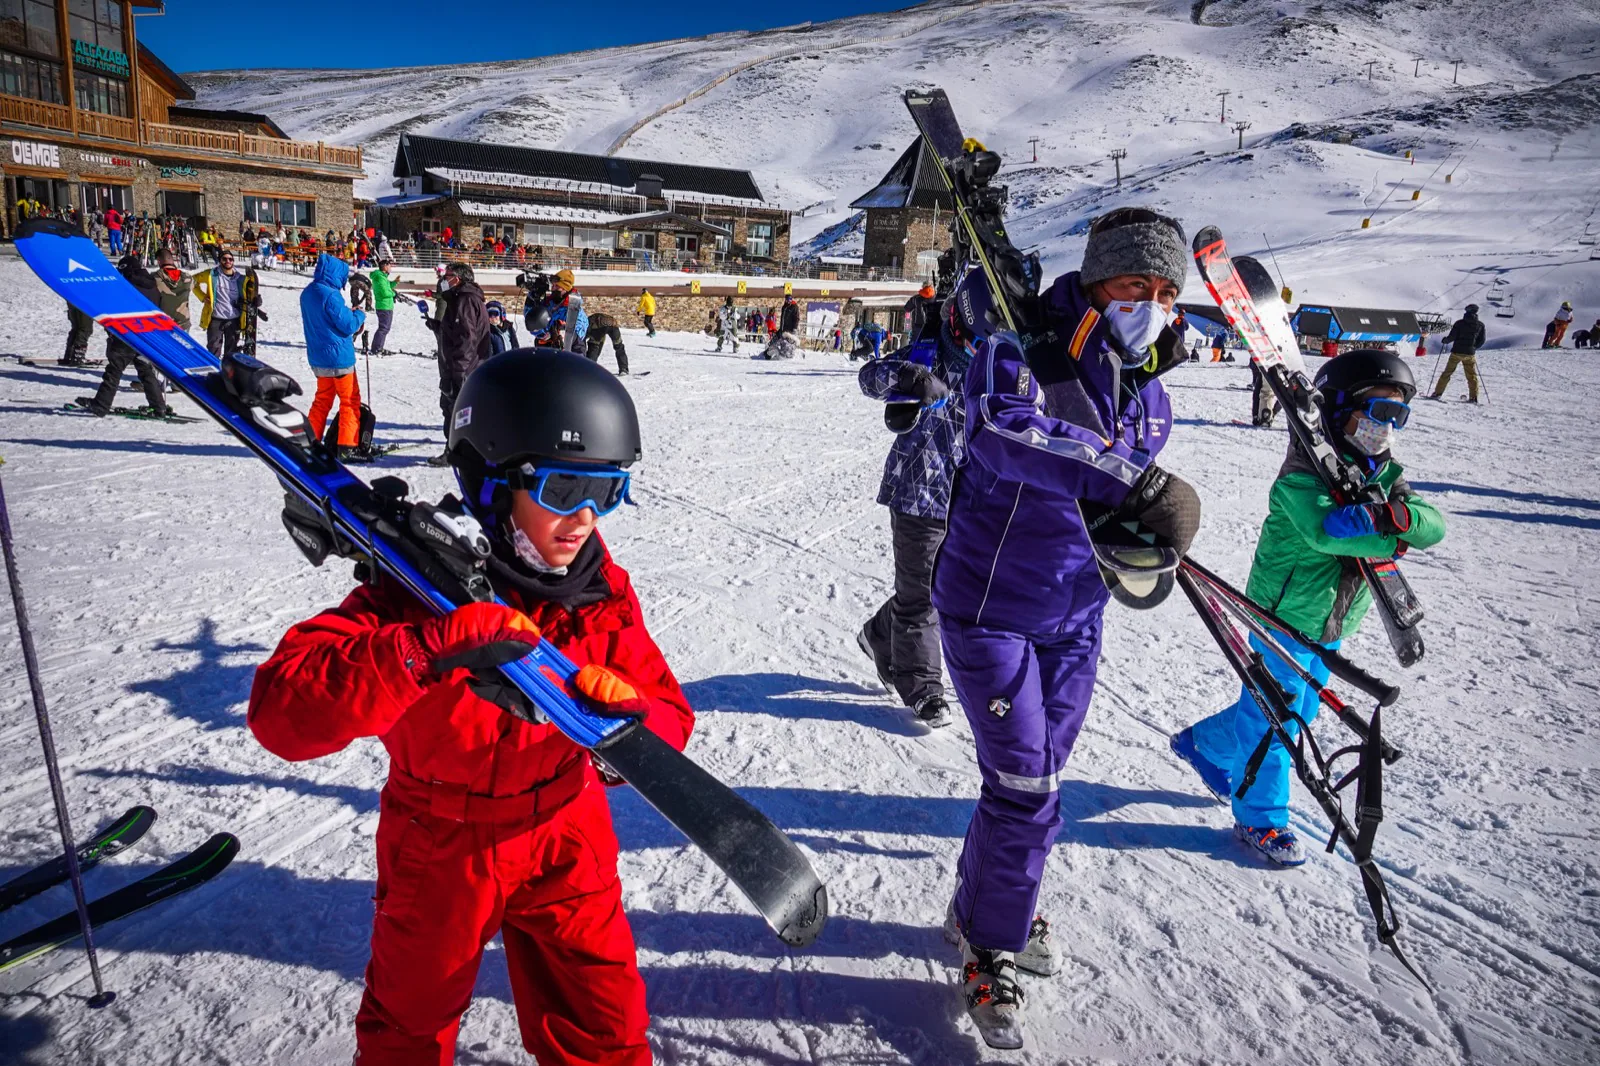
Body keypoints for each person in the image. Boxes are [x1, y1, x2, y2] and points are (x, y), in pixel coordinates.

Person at [248, 350, 691, 1066]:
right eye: (564, 487)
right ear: (493, 481)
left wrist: (630, 728)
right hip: (441, 843)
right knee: (408, 1029)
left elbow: (669, 711)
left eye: (607, 494)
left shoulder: (599, 593)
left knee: (604, 1028)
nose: (584, 520)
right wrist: (420, 653)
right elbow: (280, 713)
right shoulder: (409, 598)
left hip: (566, 831)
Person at [933, 207, 1201, 1047]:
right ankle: (992, 944)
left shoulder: (1150, 392)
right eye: (1133, 286)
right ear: (1093, 284)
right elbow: (1005, 436)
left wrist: (1140, 548)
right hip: (990, 608)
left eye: (1164, 292)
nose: (1149, 305)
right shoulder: (1017, 354)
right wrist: (1130, 484)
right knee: (1025, 789)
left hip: (1076, 617)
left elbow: (1105, 510)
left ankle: (980, 907)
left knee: (1036, 780)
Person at [1173, 350, 1445, 865]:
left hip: (1332, 621)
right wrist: (1393, 534)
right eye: (1377, 413)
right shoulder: (1301, 475)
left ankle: (1204, 745)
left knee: (1297, 709)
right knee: (1278, 721)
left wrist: (1393, 517)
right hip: (1282, 617)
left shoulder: (1384, 477)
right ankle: (1260, 817)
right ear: (1339, 410)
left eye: (1397, 416)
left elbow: (1433, 524)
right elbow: (1329, 534)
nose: (1386, 428)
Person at [856, 289, 964, 727]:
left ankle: (879, 634)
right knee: (922, 595)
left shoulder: (1004, 362)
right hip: (919, 491)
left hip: (973, 496)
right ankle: (923, 689)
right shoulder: (930, 352)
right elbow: (870, 375)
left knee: (947, 591)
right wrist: (906, 377)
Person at [80, 256, 173, 418]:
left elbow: (114, 307)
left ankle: (101, 405)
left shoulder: (125, 285)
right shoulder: (152, 284)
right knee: (146, 371)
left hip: (126, 334)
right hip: (147, 335)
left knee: (114, 371)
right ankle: (159, 406)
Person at [300, 253, 368, 459]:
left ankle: (309, 441)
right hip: (339, 358)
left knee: (322, 400)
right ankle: (347, 446)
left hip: (318, 357)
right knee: (349, 401)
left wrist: (348, 312)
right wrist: (359, 314)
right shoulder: (331, 294)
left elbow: (326, 319)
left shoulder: (309, 292)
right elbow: (347, 325)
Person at [424, 262, 491, 466]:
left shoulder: (465, 299)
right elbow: (457, 331)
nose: (444, 279)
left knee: (457, 410)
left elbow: (467, 338)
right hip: (457, 365)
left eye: (448, 276)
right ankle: (459, 449)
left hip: (463, 368)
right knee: (451, 407)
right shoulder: (457, 298)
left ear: (458, 279)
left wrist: (458, 371)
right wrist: (438, 327)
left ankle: (455, 452)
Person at [194, 250, 247, 357]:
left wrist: (255, 300)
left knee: (231, 351)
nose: (228, 261)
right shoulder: (211, 274)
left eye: (230, 259)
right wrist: (203, 297)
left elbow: (250, 293)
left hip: (234, 319)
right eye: (224, 259)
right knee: (213, 349)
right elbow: (192, 281)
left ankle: (229, 373)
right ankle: (215, 371)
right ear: (220, 261)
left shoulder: (241, 279)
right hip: (216, 318)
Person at [1429, 303, 1485, 403]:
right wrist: (1473, 348)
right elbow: (1482, 340)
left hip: (1456, 352)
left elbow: (1452, 337)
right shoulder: (1480, 325)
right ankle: (1473, 397)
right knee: (1472, 376)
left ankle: (1437, 393)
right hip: (1469, 354)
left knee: (1447, 373)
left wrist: (1445, 340)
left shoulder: (1459, 323)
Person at [585, 311, 629, 375]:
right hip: (613, 324)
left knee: (594, 346)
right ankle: (624, 369)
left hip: (599, 326)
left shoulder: (586, 323)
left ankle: (589, 368)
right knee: (618, 346)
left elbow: (582, 338)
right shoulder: (589, 320)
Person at [369, 256, 397, 355]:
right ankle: (377, 348)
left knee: (384, 328)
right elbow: (385, 293)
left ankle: (378, 347)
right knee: (384, 328)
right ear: (385, 267)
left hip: (386, 305)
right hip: (384, 306)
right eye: (389, 266)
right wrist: (394, 294)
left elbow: (388, 287)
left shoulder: (382, 277)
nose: (390, 268)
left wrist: (395, 283)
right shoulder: (380, 278)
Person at [348, 269, 375, 354]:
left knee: (354, 291)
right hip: (358, 281)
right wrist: (366, 303)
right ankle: (368, 306)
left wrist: (357, 302)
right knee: (368, 293)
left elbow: (362, 294)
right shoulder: (369, 285)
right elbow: (366, 293)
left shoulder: (366, 281)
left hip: (351, 280)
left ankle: (354, 303)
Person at [62, 301, 95, 367]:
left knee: (77, 328)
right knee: (85, 329)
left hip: (73, 299)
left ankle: (69, 355)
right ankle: (77, 357)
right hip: (84, 301)